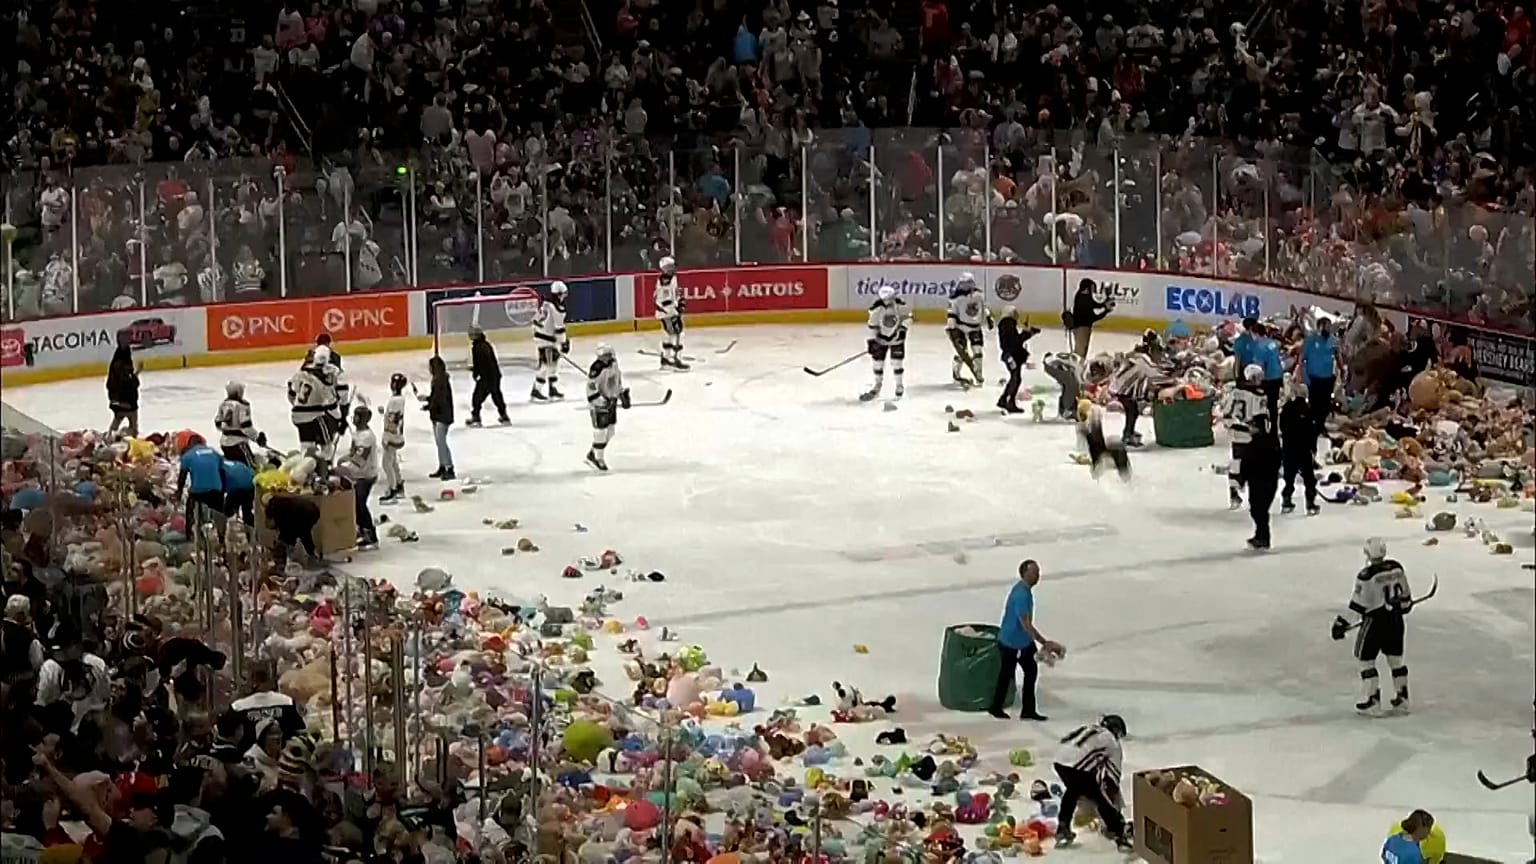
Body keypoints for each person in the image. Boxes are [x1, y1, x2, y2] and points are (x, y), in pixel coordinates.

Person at [1333, 538, 1412, 715]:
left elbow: (1358, 605)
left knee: (1365, 660)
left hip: (1374, 623)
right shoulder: (1397, 568)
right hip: (1395, 620)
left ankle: (1372, 700)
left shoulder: (1366, 576)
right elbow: (1406, 598)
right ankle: (1403, 699)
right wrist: (1402, 607)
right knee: (1395, 660)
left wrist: (1341, 624)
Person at [988, 559, 1061, 721]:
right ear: (1025, 574)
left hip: (1023, 641)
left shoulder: (1025, 590)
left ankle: (1028, 710)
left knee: (1030, 671)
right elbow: (1025, 624)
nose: (1038, 576)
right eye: (1034, 573)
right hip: (1011, 641)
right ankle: (996, 706)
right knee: (1007, 674)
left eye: (1038, 572)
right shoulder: (1021, 595)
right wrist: (1045, 642)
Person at [1051, 715, 1132, 851]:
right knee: (1100, 798)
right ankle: (1119, 835)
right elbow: (1112, 778)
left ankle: (1062, 828)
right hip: (1076, 766)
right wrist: (1114, 806)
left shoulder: (1089, 728)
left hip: (1058, 761)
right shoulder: (1112, 743)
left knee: (1073, 790)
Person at [1223, 364, 1270, 509]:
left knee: (1237, 464)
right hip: (1251, 435)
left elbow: (1226, 414)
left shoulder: (1235, 392)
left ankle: (1234, 494)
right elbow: (1262, 418)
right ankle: (1248, 495)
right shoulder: (1259, 395)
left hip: (1237, 434)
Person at [1243, 382, 1281, 550]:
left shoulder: (1254, 444)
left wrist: (1242, 478)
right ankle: (1261, 535)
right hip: (1269, 480)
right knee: (1260, 510)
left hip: (1259, 481)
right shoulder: (1272, 442)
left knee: (1258, 509)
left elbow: (1247, 462)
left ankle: (1263, 537)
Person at [288, 346, 341, 467]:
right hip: (314, 416)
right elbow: (330, 401)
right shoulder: (325, 377)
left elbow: (291, 393)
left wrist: (298, 405)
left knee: (307, 445)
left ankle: (304, 467)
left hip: (297, 414)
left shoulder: (300, 373)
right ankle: (325, 467)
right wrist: (338, 417)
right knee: (326, 444)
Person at [862, 285, 911, 402]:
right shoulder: (876, 308)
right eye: (886, 298)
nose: (888, 301)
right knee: (877, 364)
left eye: (890, 298)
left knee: (896, 363)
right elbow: (872, 326)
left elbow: (907, 318)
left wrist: (903, 330)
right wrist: (872, 341)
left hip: (896, 339)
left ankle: (899, 386)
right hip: (881, 340)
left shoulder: (900, 305)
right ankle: (877, 386)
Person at [341, 405, 380, 549]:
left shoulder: (367, 437)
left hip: (366, 475)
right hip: (357, 475)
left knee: (360, 504)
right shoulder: (357, 434)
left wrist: (344, 469)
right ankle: (361, 530)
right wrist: (342, 459)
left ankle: (370, 534)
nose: (355, 418)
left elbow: (360, 459)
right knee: (355, 504)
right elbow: (353, 452)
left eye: (358, 416)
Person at [585, 344, 629, 472]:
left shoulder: (614, 365)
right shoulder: (596, 369)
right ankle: (598, 458)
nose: (602, 358)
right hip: (599, 404)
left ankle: (593, 453)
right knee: (601, 432)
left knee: (610, 432)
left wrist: (621, 395)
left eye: (605, 356)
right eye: (600, 356)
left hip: (611, 402)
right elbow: (591, 389)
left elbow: (616, 382)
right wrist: (601, 401)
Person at [1279, 384, 1321, 516]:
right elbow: (1312, 432)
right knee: (1309, 478)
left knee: (1289, 478)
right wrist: (1313, 449)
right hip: (1304, 449)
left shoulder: (1286, 408)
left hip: (1288, 448)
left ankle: (1286, 501)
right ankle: (1310, 504)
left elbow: (1282, 427)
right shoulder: (1308, 410)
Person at [945, 271, 990, 387]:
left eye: (967, 283)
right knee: (962, 352)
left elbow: (983, 307)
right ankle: (956, 374)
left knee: (978, 353)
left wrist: (989, 317)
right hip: (960, 327)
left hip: (975, 327)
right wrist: (952, 329)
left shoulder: (979, 295)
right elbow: (951, 313)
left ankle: (978, 375)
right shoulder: (955, 297)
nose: (964, 285)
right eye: (963, 283)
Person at [1106, 346, 1155, 447]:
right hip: (1123, 390)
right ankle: (1128, 434)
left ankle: (1129, 432)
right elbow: (1151, 373)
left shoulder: (1133, 358)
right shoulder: (1143, 361)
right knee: (1132, 411)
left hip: (1120, 388)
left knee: (1132, 411)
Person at [531, 280, 571, 401]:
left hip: (542, 337)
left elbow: (535, 321)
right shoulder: (556, 308)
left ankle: (552, 388)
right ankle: (536, 390)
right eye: (563, 294)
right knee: (546, 364)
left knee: (553, 363)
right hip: (546, 340)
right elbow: (559, 328)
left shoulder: (545, 304)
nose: (564, 296)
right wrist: (563, 342)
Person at [177, 435, 227, 527]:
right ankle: (221, 537)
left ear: (190, 444)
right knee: (219, 513)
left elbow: (182, 478)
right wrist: (222, 490)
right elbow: (222, 471)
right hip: (216, 489)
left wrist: (179, 493)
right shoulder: (214, 452)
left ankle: (189, 531)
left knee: (190, 508)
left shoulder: (187, 456)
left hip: (198, 491)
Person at [1076, 399, 1131, 480]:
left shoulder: (1083, 425)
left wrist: (1083, 456)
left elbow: (1082, 445)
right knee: (1124, 471)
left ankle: (1097, 477)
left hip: (1102, 449)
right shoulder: (1099, 413)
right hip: (1114, 444)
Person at [1301, 316, 1339, 434]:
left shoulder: (1333, 340)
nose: (1328, 329)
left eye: (1329, 327)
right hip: (1314, 377)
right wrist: (1303, 375)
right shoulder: (1310, 340)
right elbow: (1302, 358)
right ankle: (1309, 426)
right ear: (1320, 327)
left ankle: (1320, 426)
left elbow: (1337, 355)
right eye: (1326, 327)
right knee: (1314, 404)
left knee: (1325, 404)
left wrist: (1341, 370)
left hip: (1328, 378)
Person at [466, 327, 509, 426]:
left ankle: (476, 417)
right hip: (494, 375)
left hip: (486, 377)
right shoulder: (486, 345)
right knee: (496, 396)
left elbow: (480, 363)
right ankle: (504, 415)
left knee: (477, 398)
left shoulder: (477, 348)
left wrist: (476, 373)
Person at [996, 307, 1036, 413]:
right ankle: (1010, 402)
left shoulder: (1006, 324)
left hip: (1009, 355)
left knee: (1014, 377)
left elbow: (1014, 341)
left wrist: (1027, 334)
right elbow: (1015, 342)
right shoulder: (1008, 324)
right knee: (1015, 378)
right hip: (1011, 356)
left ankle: (1004, 399)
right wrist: (1027, 334)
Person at [263, 494, 322, 566]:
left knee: (300, 534)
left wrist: (284, 542)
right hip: (311, 509)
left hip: (307, 513)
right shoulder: (278, 504)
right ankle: (313, 554)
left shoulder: (279, 513)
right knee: (300, 533)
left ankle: (312, 556)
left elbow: (288, 534)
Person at [653, 256, 690, 370]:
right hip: (667, 312)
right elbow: (663, 298)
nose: (672, 268)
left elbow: (676, 293)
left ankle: (666, 359)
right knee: (677, 334)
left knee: (670, 334)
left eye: (672, 266)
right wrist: (674, 308)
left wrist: (680, 302)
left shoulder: (672, 278)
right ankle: (675, 359)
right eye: (669, 267)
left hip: (668, 311)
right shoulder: (665, 280)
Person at [215, 381, 263, 465]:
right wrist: (257, 437)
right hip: (238, 444)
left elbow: (218, 423)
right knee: (249, 467)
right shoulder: (242, 406)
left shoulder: (223, 404)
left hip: (224, 443)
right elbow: (245, 426)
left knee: (233, 466)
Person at [423, 356, 455, 480]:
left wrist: (429, 405)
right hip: (439, 414)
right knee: (439, 442)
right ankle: (443, 465)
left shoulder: (440, 381)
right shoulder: (440, 379)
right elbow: (435, 397)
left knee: (441, 442)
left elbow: (439, 399)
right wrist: (428, 400)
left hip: (442, 415)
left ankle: (449, 467)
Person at [379, 373, 408, 503]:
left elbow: (393, 420)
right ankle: (399, 484)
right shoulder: (400, 399)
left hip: (392, 436)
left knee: (386, 464)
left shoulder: (395, 401)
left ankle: (392, 489)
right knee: (393, 462)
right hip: (397, 434)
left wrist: (387, 437)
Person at [1065, 279, 1113, 359]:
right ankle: (1075, 368)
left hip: (1083, 327)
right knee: (1080, 352)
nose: (1094, 289)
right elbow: (1092, 317)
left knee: (1082, 350)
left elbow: (1094, 305)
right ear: (1087, 288)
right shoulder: (1083, 299)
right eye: (1092, 287)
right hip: (1081, 327)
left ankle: (1078, 367)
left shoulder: (1082, 295)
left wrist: (1105, 304)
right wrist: (1106, 310)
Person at [105, 344, 140, 436]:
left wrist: (113, 400)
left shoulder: (114, 366)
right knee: (133, 425)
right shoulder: (125, 367)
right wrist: (135, 377)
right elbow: (130, 384)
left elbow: (110, 384)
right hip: (128, 403)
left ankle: (110, 437)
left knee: (117, 420)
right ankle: (132, 441)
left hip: (117, 402)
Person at [1042, 352, 1083, 419]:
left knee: (1071, 384)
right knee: (1070, 383)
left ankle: (1067, 410)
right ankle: (1067, 409)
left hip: (1061, 366)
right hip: (1054, 365)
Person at [220, 456, 256, 526]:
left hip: (236, 490)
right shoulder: (239, 463)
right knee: (247, 513)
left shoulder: (220, 468)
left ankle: (226, 529)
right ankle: (253, 529)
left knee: (226, 511)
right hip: (250, 487)